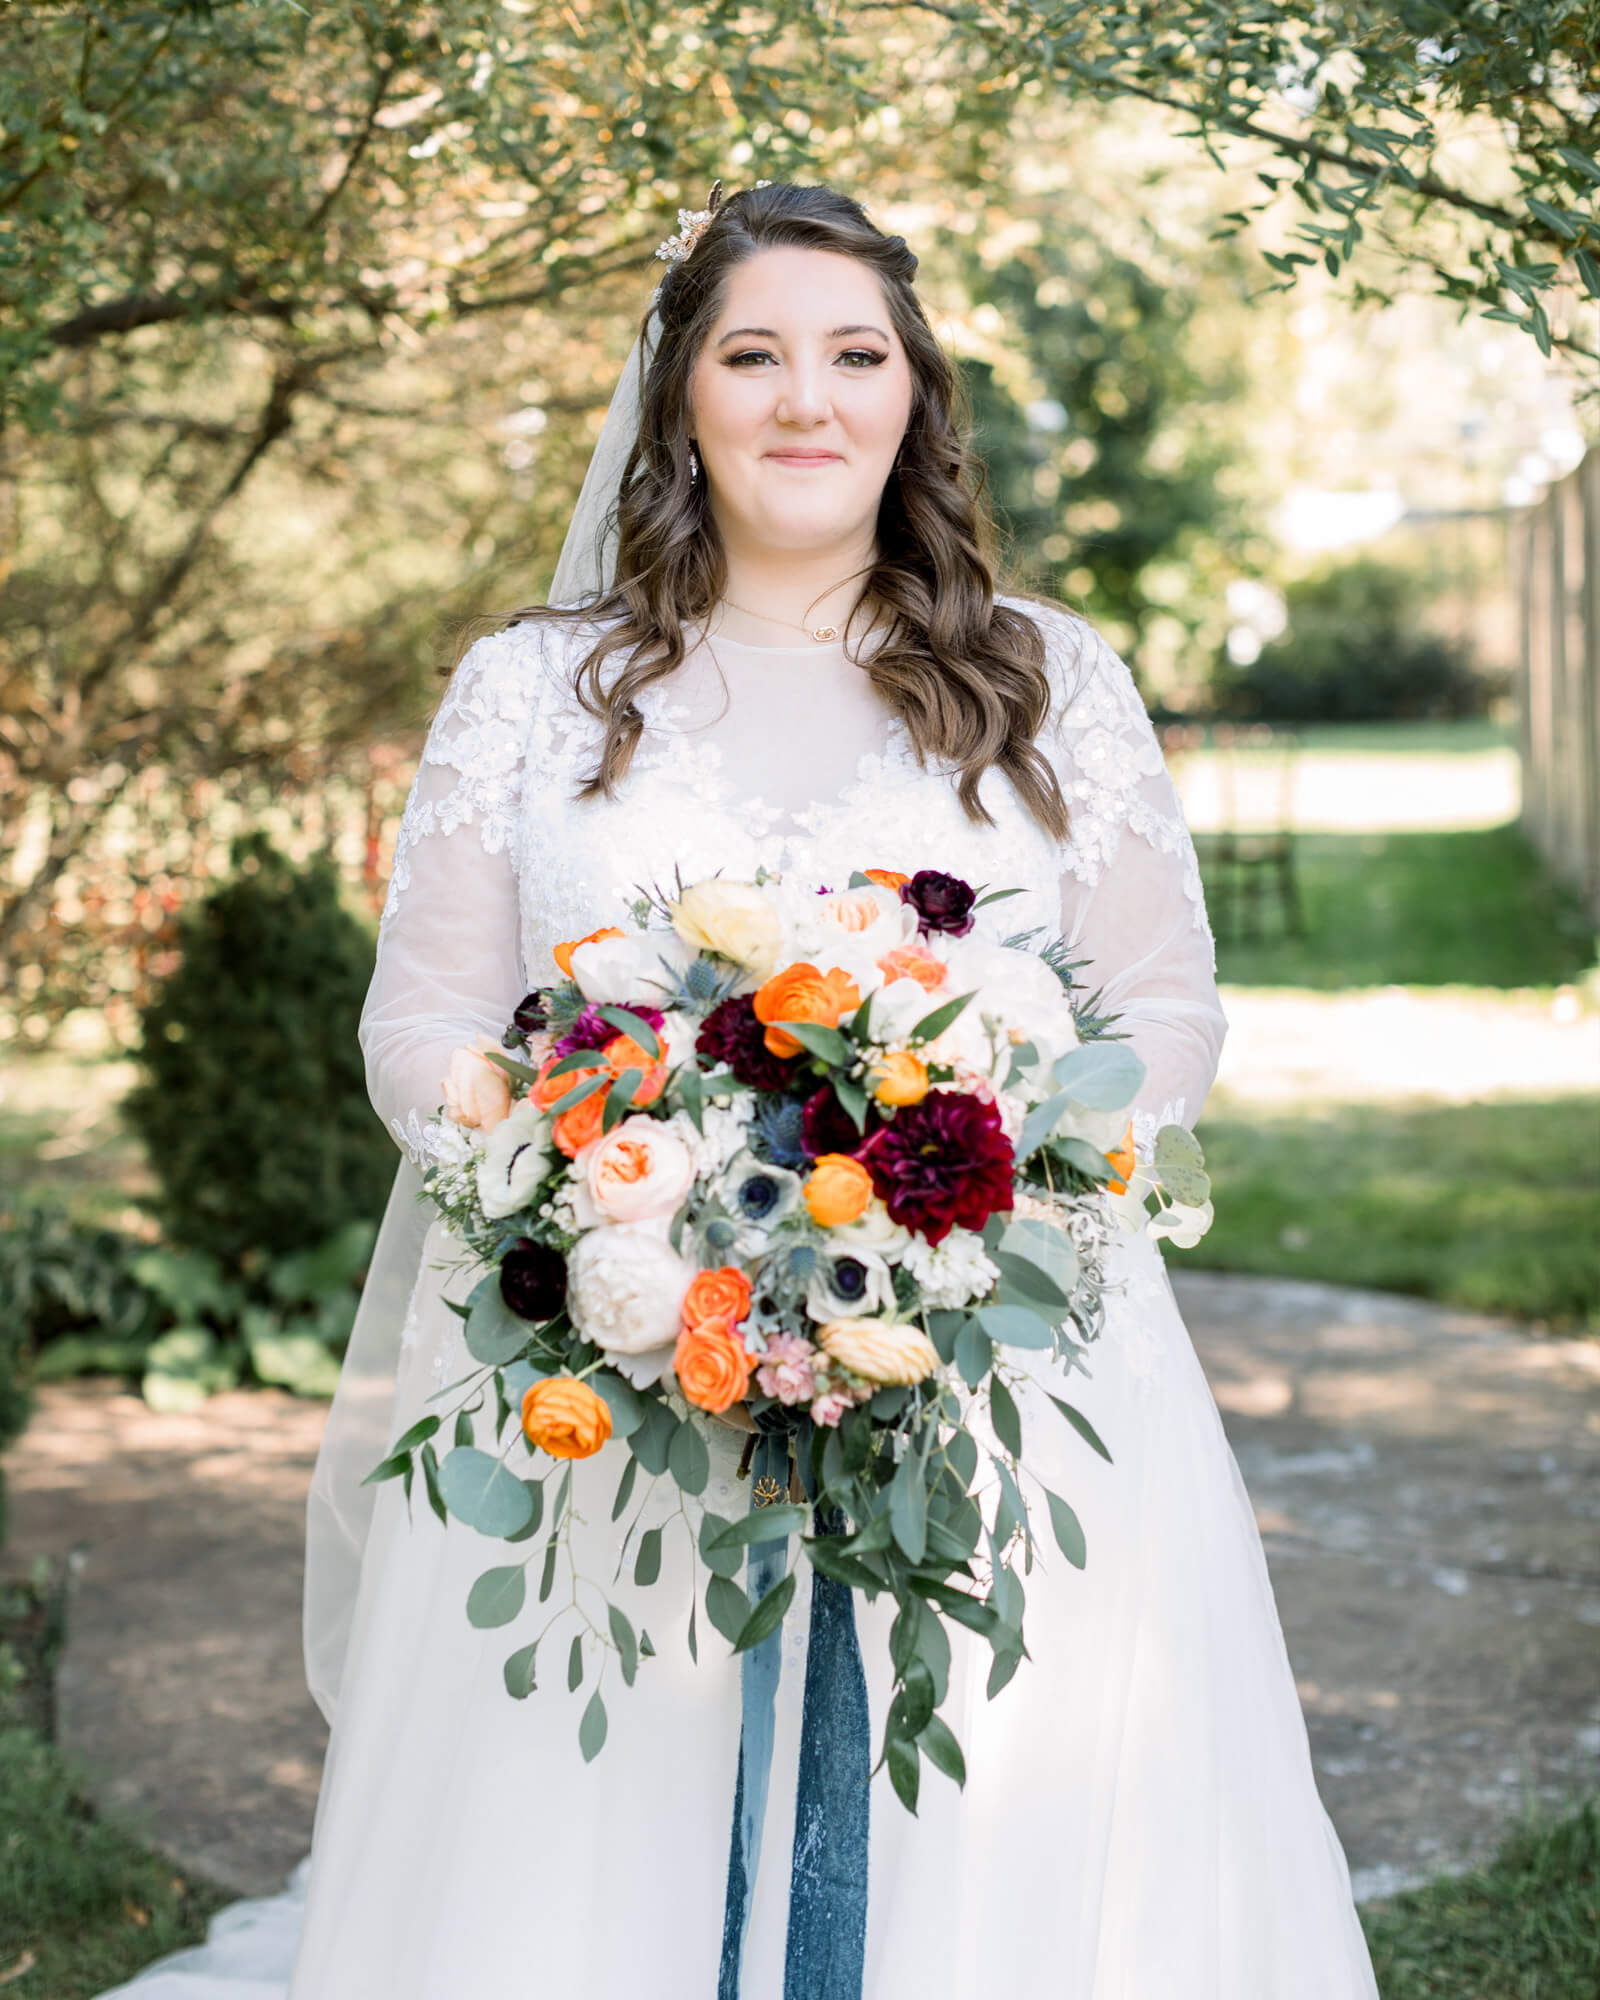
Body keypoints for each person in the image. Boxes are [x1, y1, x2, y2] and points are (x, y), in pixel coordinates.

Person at [96, 179, 1380, 1998]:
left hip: (1000, 1366)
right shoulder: (535, 694)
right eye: (754, 354)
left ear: (914, 397)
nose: (808, 400)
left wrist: (1010, 1174)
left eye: (856, 355)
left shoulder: (1041, 683)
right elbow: (422, 1024)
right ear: (679, 398)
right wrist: (598, 1177)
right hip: (612, 1374)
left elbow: (1168, 1003)